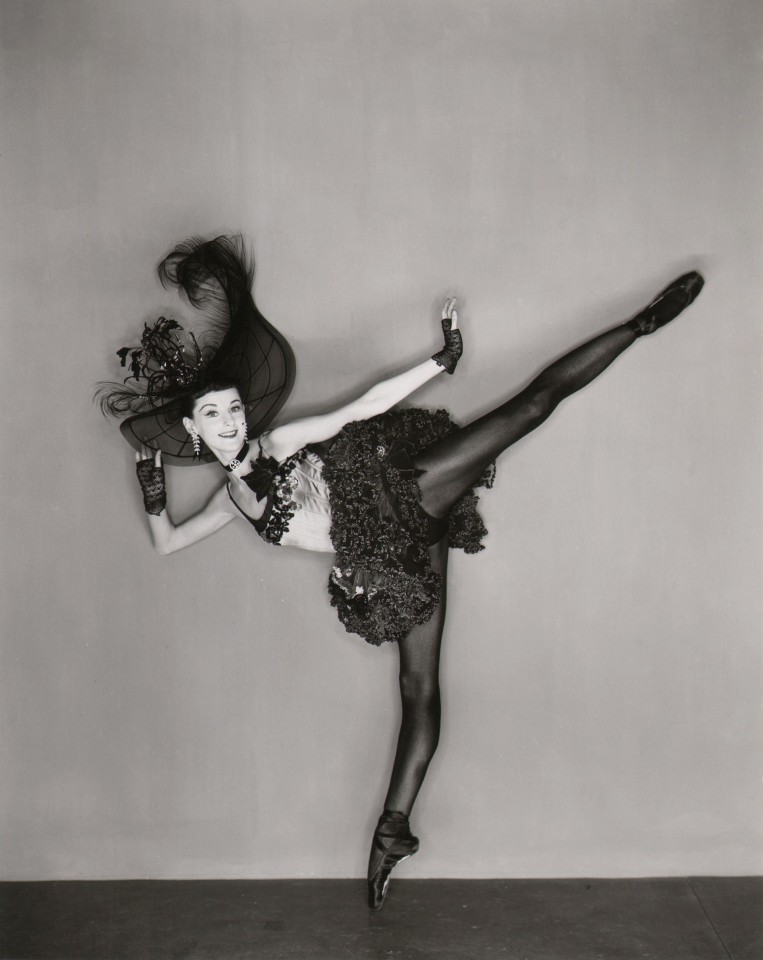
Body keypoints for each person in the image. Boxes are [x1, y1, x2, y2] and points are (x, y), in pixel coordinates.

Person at [99, 235, 704, 909]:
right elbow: (169, 543)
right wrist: (153, 492)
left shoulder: (277, 444)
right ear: (193, 428)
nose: (231, 422)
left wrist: (438, 362)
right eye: (214, 415)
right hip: (396, 560)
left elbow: (358, 410)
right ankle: (393, 832)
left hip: (406, 494)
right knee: (417, 687)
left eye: (234, 408)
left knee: (529, 408)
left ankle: (640, 323)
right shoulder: (229, 504)